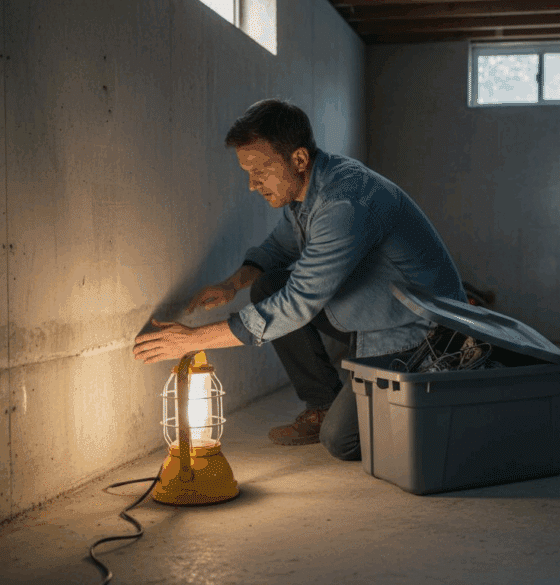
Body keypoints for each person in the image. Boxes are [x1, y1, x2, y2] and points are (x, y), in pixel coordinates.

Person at [133, 99, 466, 460]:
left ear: (299, 159)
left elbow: (296, 304)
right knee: (267, 286)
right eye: (248, 172)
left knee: (342, 441)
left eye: (260, 170)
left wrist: (194, 339)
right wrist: (232, 284)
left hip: (418, 330)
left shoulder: (343, 204)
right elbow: (278, 248)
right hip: (380, 315)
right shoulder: (307, 191)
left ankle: (446, 379)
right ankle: (323, 403)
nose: (251, 184)